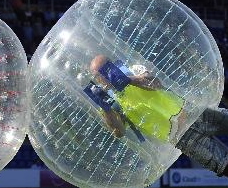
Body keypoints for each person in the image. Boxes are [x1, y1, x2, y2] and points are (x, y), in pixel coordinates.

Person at [88, 54, 228, 177]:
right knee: (223, 165)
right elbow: (119, 132)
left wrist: (128, 80)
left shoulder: (132, 69)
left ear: (112, 66)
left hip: (192, 113)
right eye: (97, 76)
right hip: (181, 137)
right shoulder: (109, 102)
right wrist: (106, 109)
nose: (101, 78)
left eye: (104, 71)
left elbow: (156, 83)